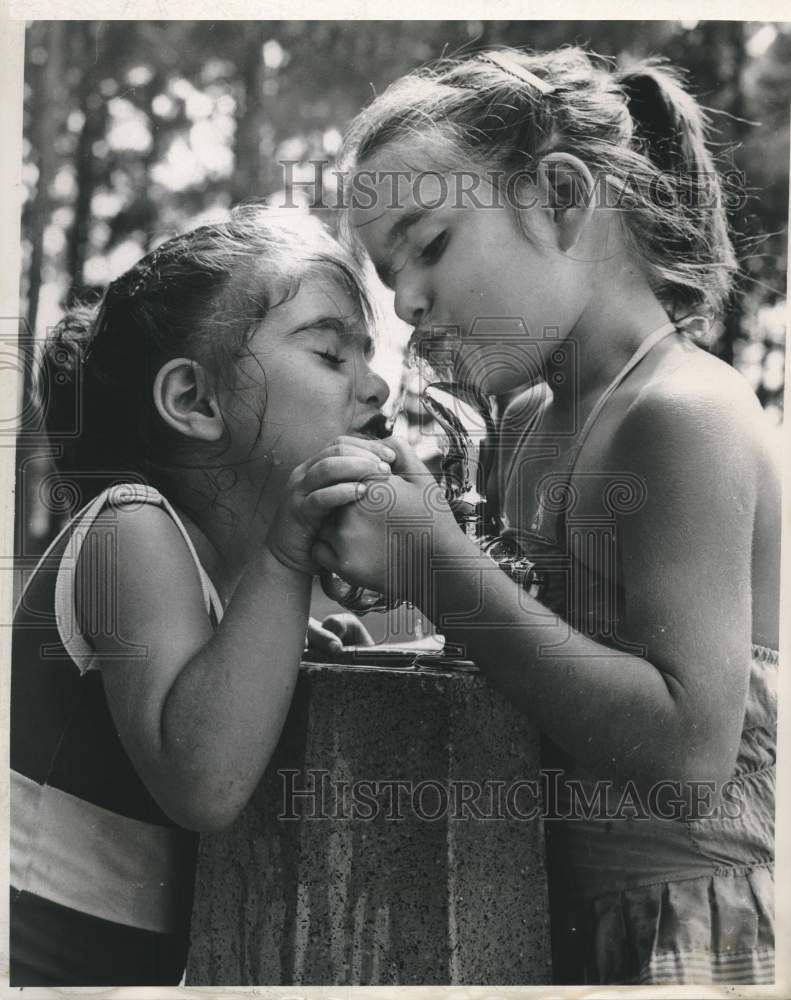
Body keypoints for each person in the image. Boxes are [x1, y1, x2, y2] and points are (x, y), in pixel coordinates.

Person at [317, 47, 781, 984]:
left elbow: (687, 757)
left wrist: (437, 569)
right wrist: (393, 649)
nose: (405, 302)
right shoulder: (527, 422)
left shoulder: (680, 414)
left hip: (680, 935)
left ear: (562, 198)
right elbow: (545, 661)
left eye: (432, 244)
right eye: (387, 269)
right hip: (548, 915)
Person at [10, 206, 390, 986]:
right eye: (328, 351)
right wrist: (286, 559)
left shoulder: (213, 588)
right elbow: (203, 780)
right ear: (195, 400)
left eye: (368, 354)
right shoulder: (131, 527)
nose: (377, 384)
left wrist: (282, 662)